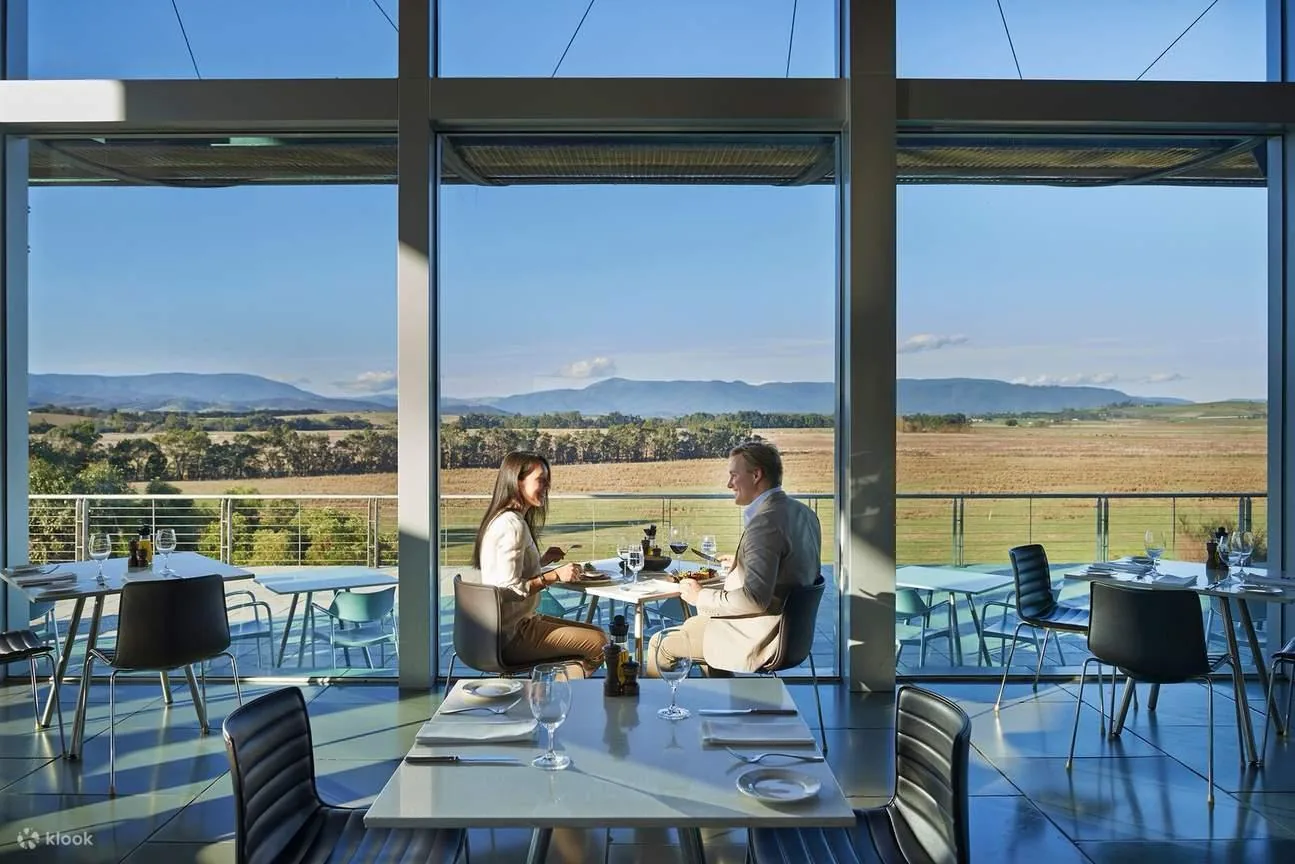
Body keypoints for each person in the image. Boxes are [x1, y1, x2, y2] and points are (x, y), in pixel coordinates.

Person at [646, 440, 822, 676]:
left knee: (660, 643)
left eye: (734, 475)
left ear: (756, 475)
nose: (729, 484)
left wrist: (700, 596)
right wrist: (743, 564)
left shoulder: (765, 524)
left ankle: (660, 710)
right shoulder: (804, 513)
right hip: (794, 635)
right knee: (691, 626)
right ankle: (722, 703)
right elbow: (791, 569)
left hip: (757, 637)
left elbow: (754, 599)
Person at [471, 451, 608, 678]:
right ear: (518, 481)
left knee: (599, 634)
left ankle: (551, 694)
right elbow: (510, 588)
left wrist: (541, 560)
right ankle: (554, 698)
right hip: (512, 635)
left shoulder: (503, 519)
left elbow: (506, 572)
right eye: (540, 480)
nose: (547, 487)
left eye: (548, 481)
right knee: (599, 644)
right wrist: (554, 576)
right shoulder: (512, 525)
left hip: (505, 627)